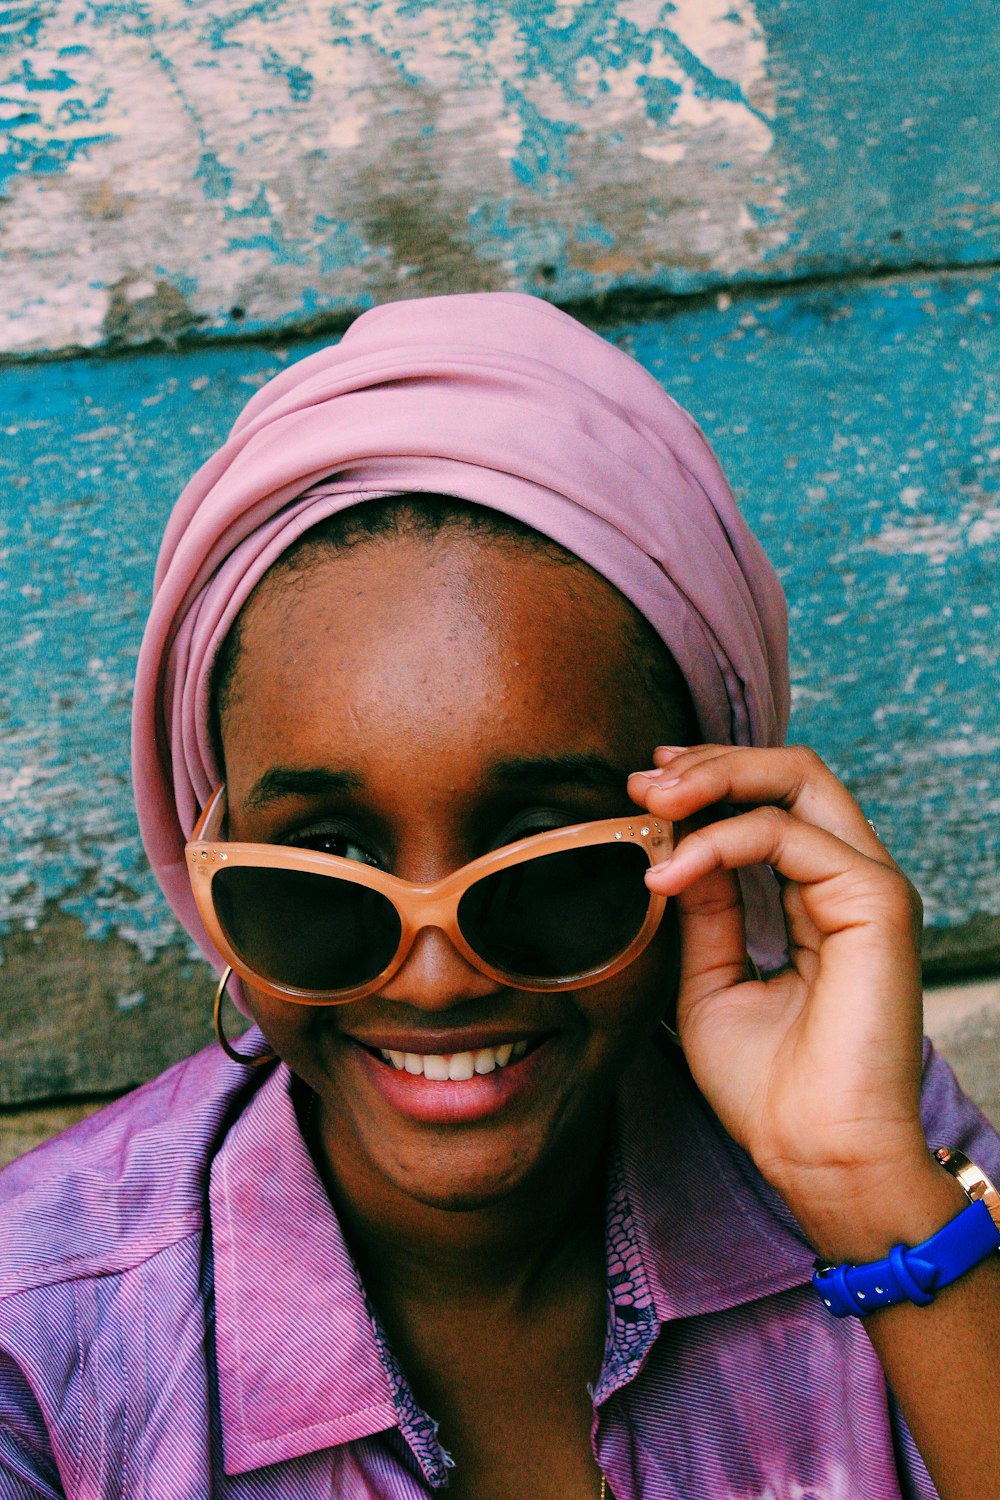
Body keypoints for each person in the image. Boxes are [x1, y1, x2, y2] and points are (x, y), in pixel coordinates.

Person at [0, 293, 997, 1500]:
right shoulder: (44, 1349)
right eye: (326, 859)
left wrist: (858, 1185)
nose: (434, 974)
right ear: (208, 861)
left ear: (709, 835)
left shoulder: (878, 1151)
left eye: (545, 850)